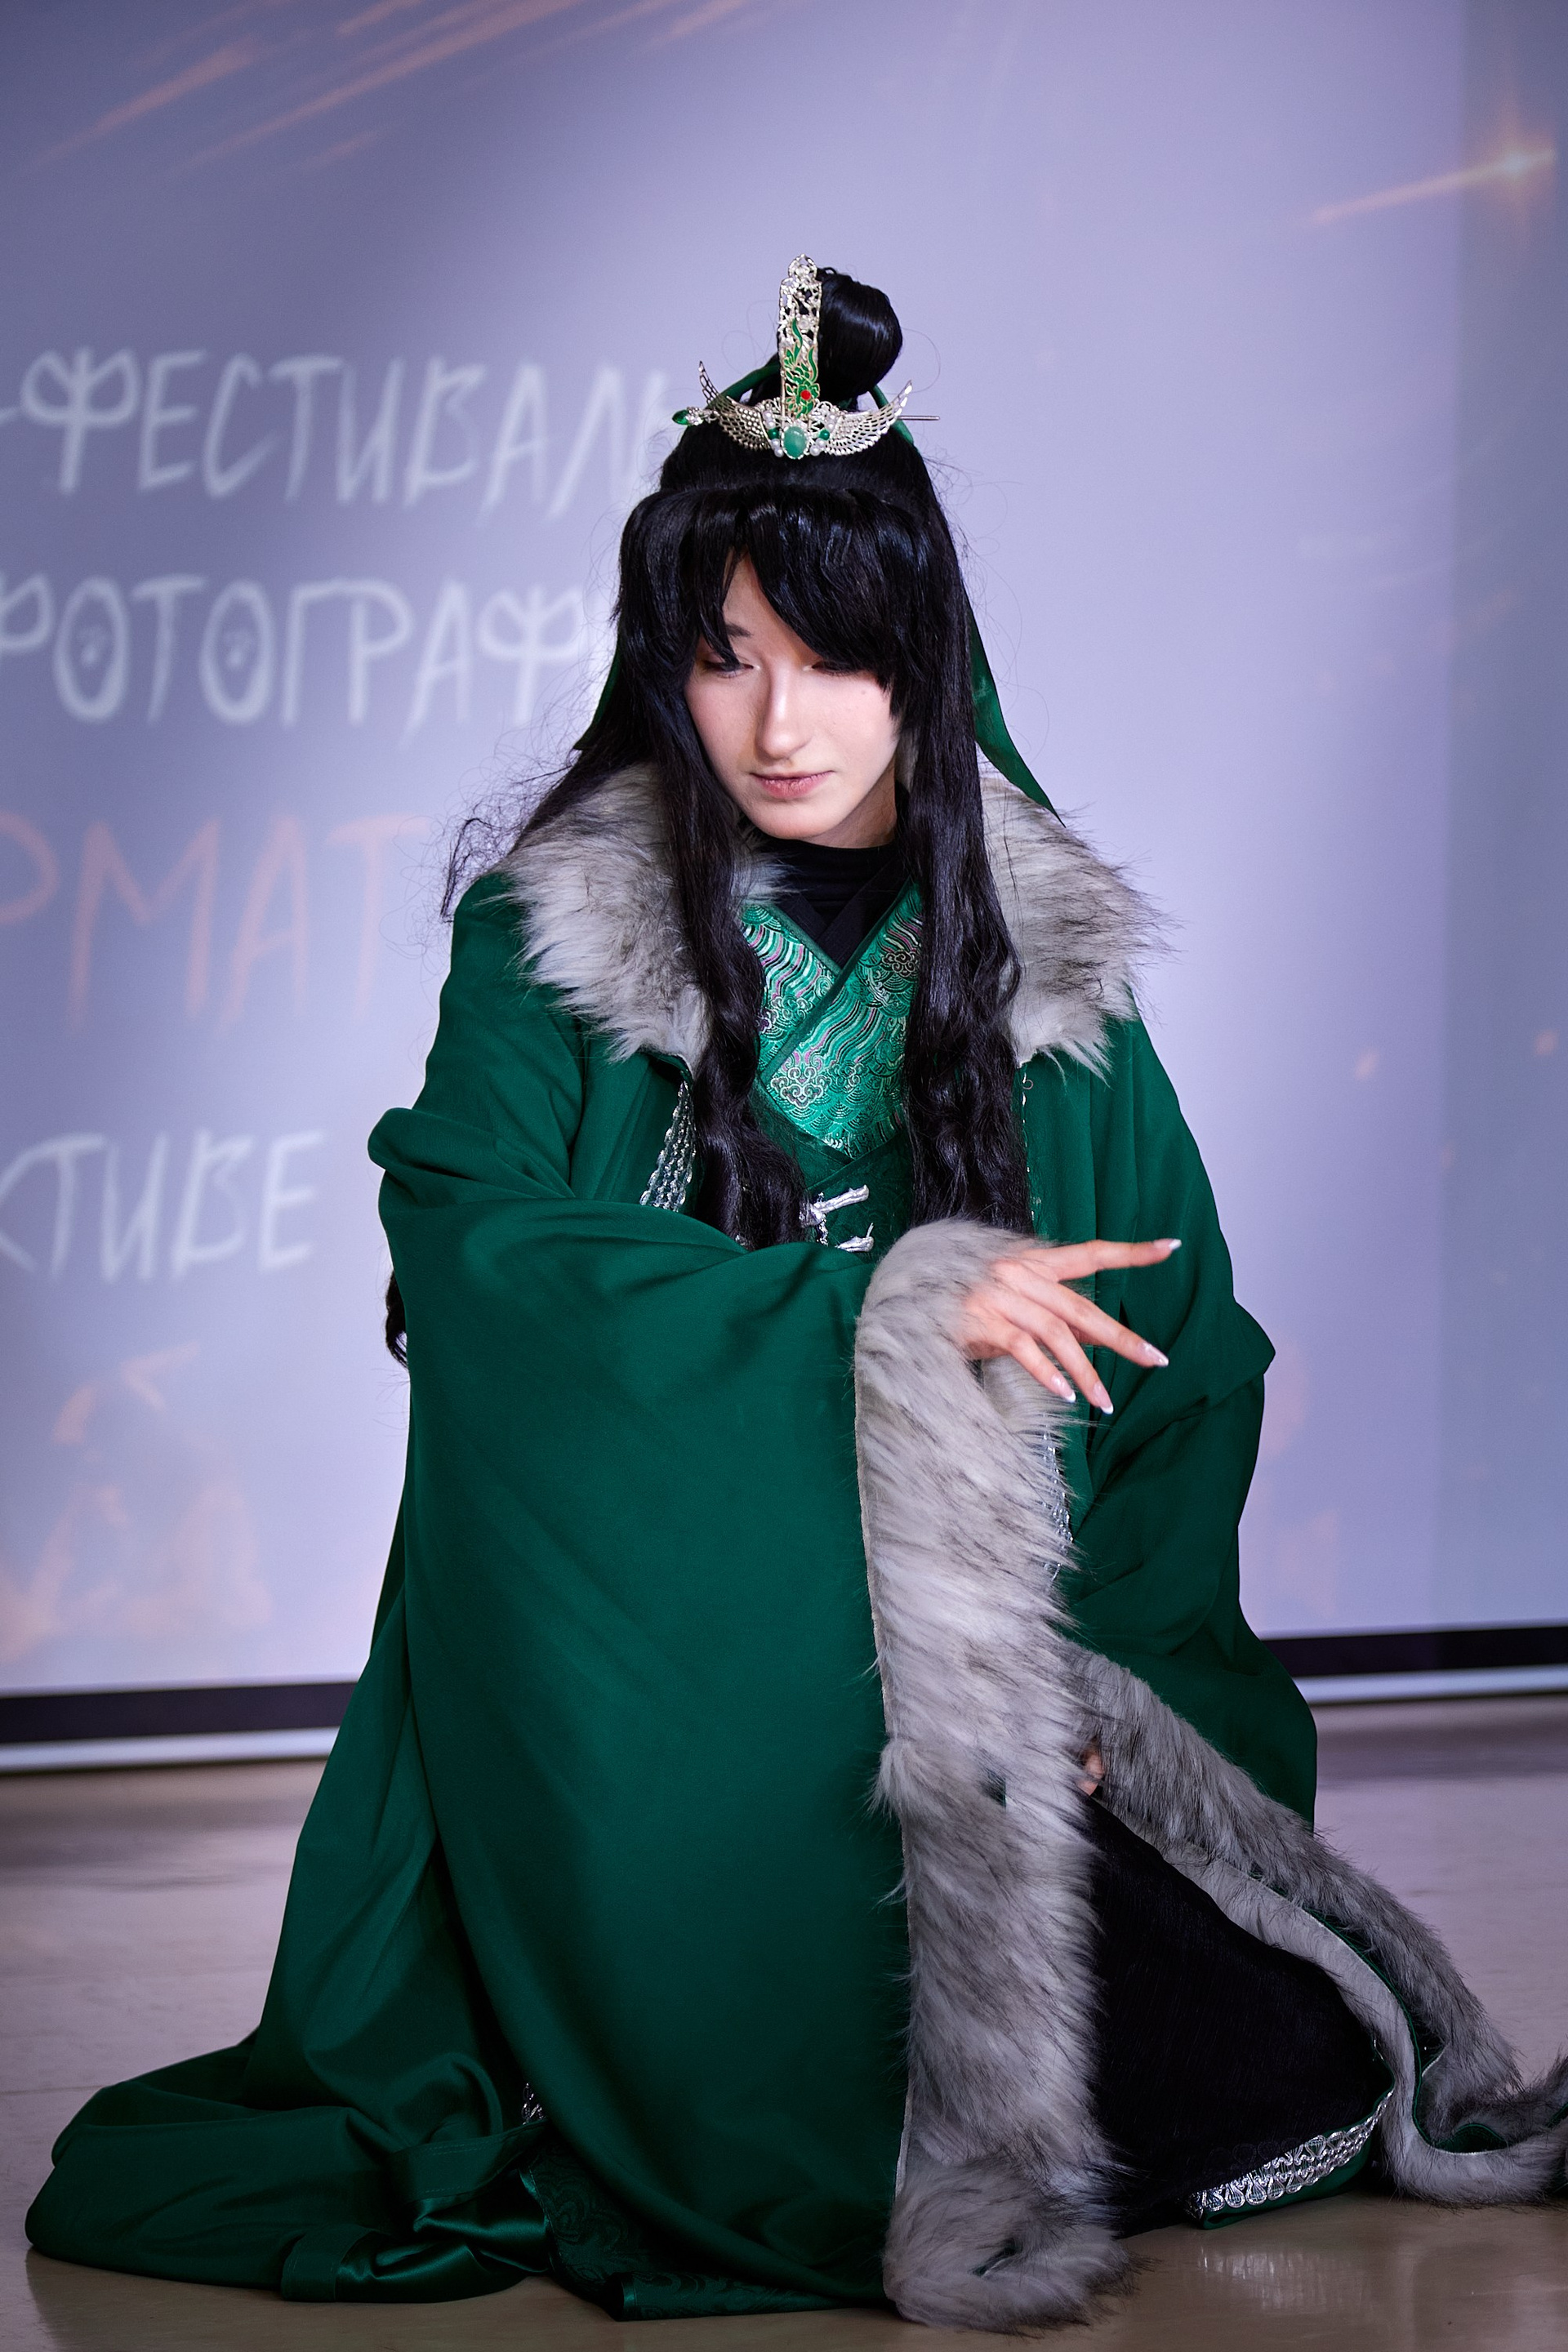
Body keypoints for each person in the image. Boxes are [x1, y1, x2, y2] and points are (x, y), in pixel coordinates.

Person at [28, 257, 1566, 2331]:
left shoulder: (1048, 988)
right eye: (726, 655)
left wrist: (1095, 1693)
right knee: (811, 2117)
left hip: (976, 1720)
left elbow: (1183, 1374)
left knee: (1282, 2067)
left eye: (836, 659)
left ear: (925, 663)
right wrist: (882, 1326)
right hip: (661, 1682)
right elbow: (476, 1249)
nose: (779, 723)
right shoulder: (555, 947)